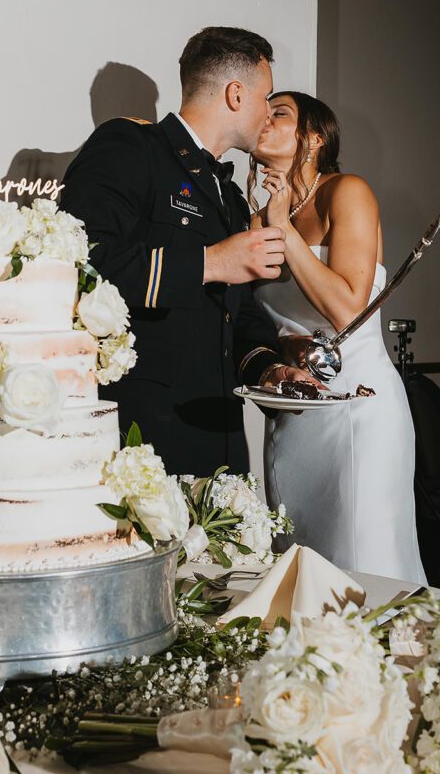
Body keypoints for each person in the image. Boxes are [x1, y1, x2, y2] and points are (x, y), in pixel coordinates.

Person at [60, 27, 318, 476]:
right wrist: (212, 262)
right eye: (266, 98)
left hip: (218, 442)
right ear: (236, 94)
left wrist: (271, 370)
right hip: (138, 441)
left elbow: (238, 318)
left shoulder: (230, 197)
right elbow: (82, 264)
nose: (268, 114)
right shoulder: (129, 148)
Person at [251, 91, 426, 583]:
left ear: (313, 136)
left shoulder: (347, 191)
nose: (263, 117)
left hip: (358, 410)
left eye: (278, 112)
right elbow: (254, 318)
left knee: (364, 569)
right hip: (293, 419)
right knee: (299, 575)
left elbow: (349, 305)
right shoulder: (257, 217)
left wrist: (284, 229)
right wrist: (283, 345)